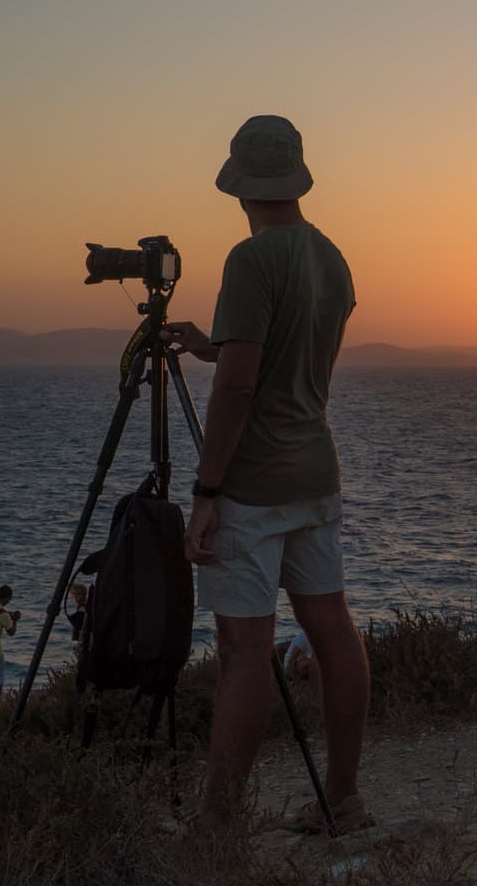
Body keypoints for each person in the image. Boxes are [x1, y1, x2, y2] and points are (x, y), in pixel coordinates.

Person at [158, 114, 371, 835]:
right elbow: (283, 360)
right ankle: (342, 798)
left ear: (241, 187)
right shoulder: (331, 257)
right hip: (316, 474)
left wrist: (207, 494)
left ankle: (219, 824)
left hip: (252, 485)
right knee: (333, 631)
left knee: (244, 652)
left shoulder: (250, 262)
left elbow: (242, 390)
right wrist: (214, 345)